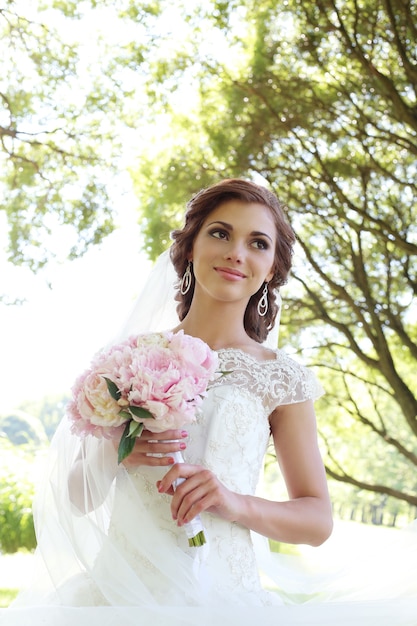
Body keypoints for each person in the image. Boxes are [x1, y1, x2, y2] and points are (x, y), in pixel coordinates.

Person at [2, 179, 417, 626]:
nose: (236, 252)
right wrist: (113, 454)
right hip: (118, 599)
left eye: (257, 243)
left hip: (224, 603)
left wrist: (233, 502)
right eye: (220, 233)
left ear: (272, 269)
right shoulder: (129, 358)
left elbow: (316, 521)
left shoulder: (280, 378)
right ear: (190, 247)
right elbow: (77, 498)